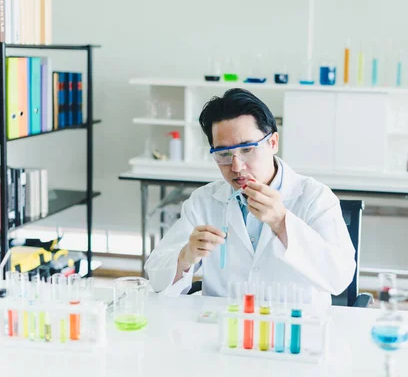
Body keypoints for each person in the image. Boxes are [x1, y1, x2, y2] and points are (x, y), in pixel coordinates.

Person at [144, 88, 356, 306]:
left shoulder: (315, 197)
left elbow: (339, 278)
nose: (236, 166)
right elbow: (156, 277)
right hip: (225, 327)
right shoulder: (204, 201)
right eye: (223, 154)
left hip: (295, 328)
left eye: (247, 149)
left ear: (273, 142)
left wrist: (282, 223)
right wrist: (185, 256)